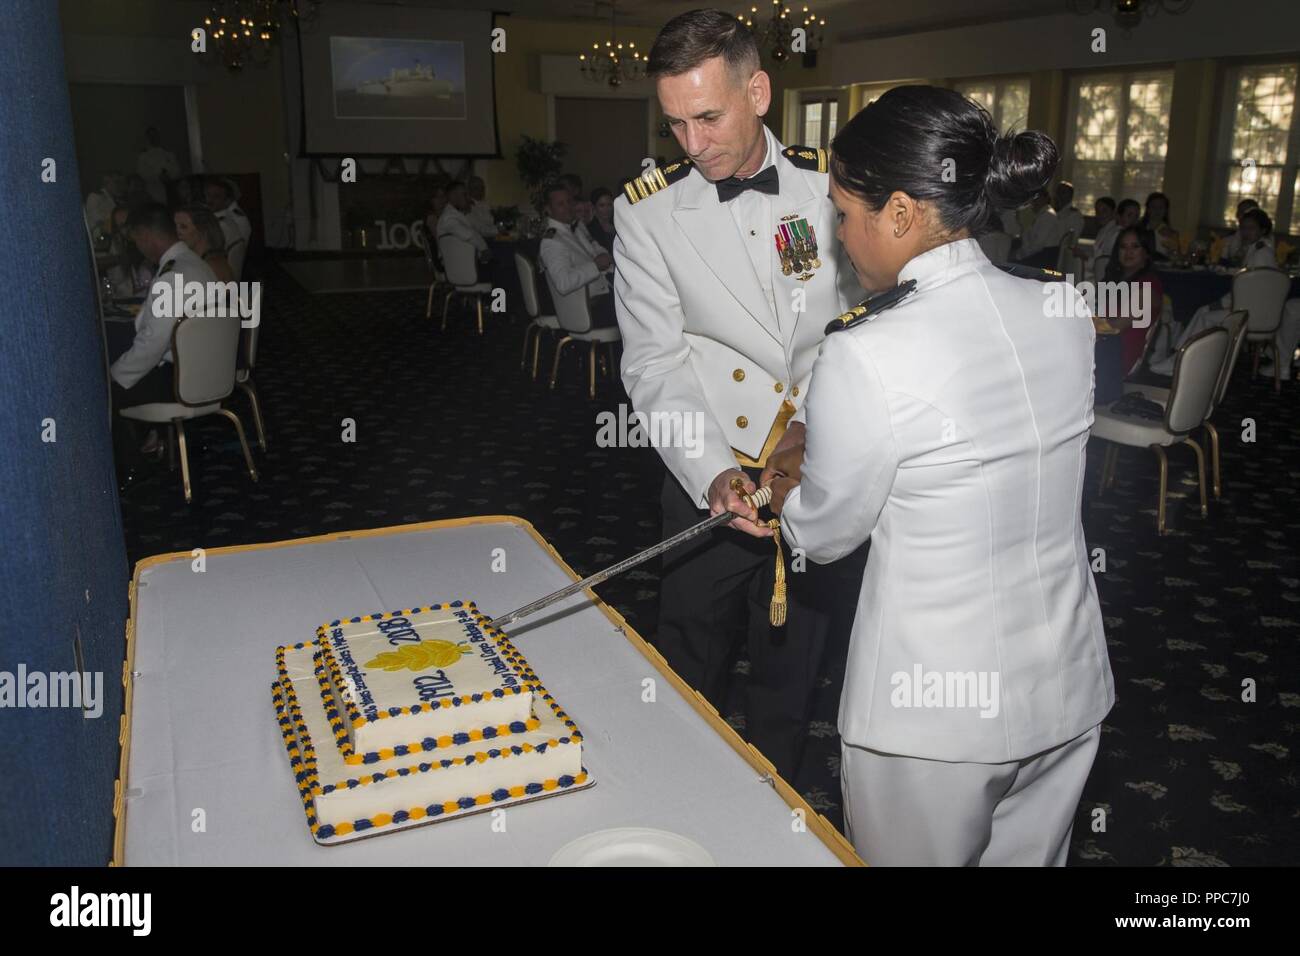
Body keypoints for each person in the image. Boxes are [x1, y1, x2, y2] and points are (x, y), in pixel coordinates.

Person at [765, 85, 1113, 866]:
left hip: (935, 721)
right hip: (1064, 685)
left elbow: (824, 531)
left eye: (845, 214)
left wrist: (788, 479)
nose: (842, 238)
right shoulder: (1062, 309)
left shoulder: (866, 350)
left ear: (898, 213)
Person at [613, 8, 862, 786]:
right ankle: (685, 807)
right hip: (708, 477)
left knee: (793, 677)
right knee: (690, 665)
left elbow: (859, 331)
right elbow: (655, 363)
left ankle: (777, 819)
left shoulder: (837, 189)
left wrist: (812, 437)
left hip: (817, 471)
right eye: (675, 124)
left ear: (757, 90)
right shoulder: (647, 212)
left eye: (709, 117)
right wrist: (713, 472)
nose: (692, 145)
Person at [110, 203, 217, 407]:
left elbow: (154, 344)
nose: (138, 247)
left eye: (136, 240)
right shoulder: (197, 263)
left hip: (179, 381)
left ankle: (144, 438)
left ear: (144, 234)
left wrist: (113, 375)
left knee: (99, 394)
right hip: (206, 367)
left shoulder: (172, 275)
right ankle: (153, 438)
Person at [1149, 207, 1277, 374]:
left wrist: (1223, 304)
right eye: (1243, 228)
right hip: (1248, 307)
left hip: (1252, 313)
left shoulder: (1261, 254)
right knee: (1202, 310)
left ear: (1263, 230)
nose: (1245, 232)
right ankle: (1179, 356)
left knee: (1206, 316)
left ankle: (1181, 362)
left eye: (1251, 228)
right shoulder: (1256, 250)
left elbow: (1252, 290)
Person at [1094, 226, 1164, 403]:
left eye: (1135, 247)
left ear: (1146, 252)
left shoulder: (1148, 285)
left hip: (1116, 357)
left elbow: (1114, 326)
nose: (1128, 252)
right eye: (1123, 247)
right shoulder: (1116, 280)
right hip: (1102, 348)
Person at [538, 182, 616, 328]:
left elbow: (597, 249)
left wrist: (603, 258)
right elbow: (564, 282)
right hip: (587, 307)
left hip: (603, 293)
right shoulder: (552, 241)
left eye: (569, 201)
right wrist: (596, 266)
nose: (568, 207)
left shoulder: (576, 227)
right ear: (548, 210)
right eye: (561, 204)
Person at [436, 181, 491, 277]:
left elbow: (478, 229)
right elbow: (469, 235)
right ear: (453, 196)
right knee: (503, 266)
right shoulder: (449, 218)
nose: (468, 198)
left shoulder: (456, 214)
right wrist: (484, 249)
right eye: (464, 194)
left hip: (464, 263)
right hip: (460, 269)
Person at [204, 176, 251, 278]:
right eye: (208, 195)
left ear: (227, 200)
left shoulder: (225, 224)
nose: (210, 200)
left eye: (216, 196)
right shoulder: (216, 219)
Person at [175, 204, 234, 283]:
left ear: (202, 230)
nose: (177, 232)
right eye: (175, 226)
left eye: (183, 227)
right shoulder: (200, 261)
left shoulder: (213, 266)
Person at [1014, 188, 1062, 266]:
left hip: (1044, 258)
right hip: (1038, 255)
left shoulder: (1048, 216)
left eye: (1038, 198)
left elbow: (1037, 245)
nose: (1034, 201)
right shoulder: (1041, 214)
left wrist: (1019, 255)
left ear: (1046, 198)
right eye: (1033, 198)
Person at [136, 127, 180, 204]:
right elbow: (142, 173)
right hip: (153, 191)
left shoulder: (168, 153)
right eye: (151, 136)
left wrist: (169, 176)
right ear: (147, 138)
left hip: (170, 189)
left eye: (155, 135)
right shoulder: (143, 156)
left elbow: (177, 170)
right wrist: (157, 177)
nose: (154, 138)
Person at [1140, 191, 1179, 260]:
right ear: (1148, 209)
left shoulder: (1172, 234)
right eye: (1153, 207)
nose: (1157, 210)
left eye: (1161, 207)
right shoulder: (1137, 229)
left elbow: (1175, 257)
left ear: (1166, 210)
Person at [84, 171, 124, 237]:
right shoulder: (95, 196)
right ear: (107, 182)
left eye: (121, 182)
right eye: (116, 182)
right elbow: (96, 220)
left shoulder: (118, 201)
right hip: (100, 239)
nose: (119, 186)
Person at [1221, 198, 1259, 264]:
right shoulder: (1229, 238)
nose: (1243, 215)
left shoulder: (1264, 240)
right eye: (1240, 212)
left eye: (1248, 213)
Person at [586, 187, 617, 253]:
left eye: (609, 205)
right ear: (594, 207)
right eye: (602, 205)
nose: (607, 209)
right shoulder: (590, 229)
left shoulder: (617, 224)